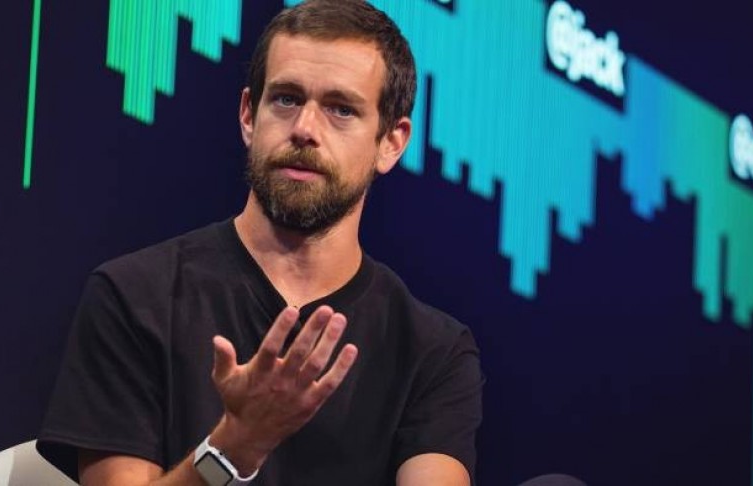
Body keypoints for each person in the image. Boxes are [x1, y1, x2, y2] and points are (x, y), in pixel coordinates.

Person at [36, 1, 483, 484]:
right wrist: (236, 444)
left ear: (391, 143)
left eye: (340, 109)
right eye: (286, 99)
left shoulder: (433, 351)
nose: (305, 130)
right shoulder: (135, 296)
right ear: (249, 115)